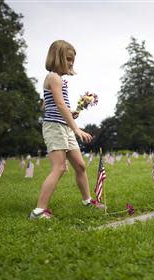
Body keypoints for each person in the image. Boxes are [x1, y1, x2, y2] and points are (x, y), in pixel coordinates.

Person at [29, 40, 103, 220]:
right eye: (68, 59)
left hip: (64, 126)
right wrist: (76, 128)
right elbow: (60, 104)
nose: (71, 63)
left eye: (72, 60)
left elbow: (50, 105)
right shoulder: (53, 77)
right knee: (60, 167)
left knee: (80, 165)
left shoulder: (59, 80)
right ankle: (38, 211)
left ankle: (87, 201)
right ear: (57, 57)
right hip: (55, 128)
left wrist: (71, 113)